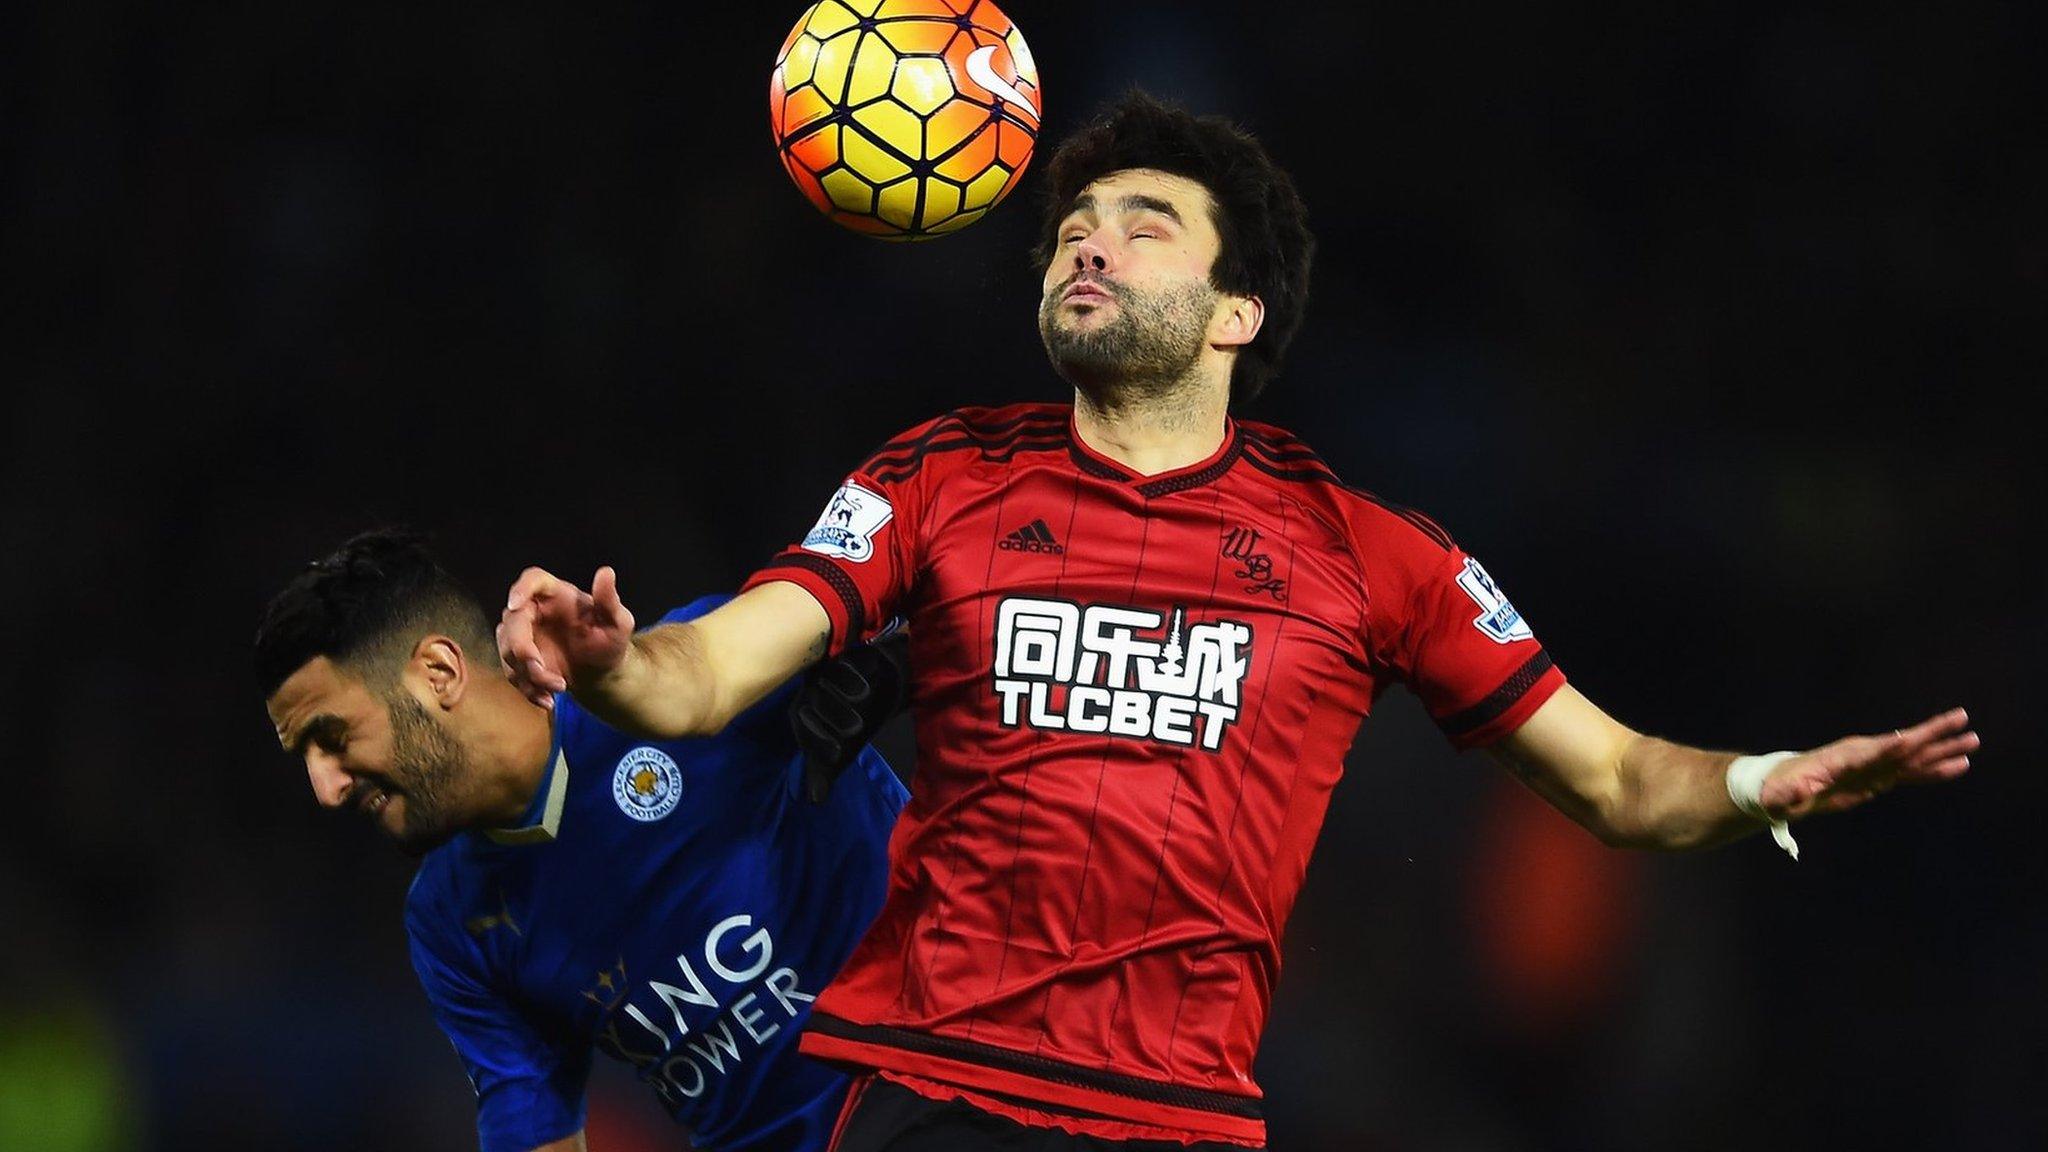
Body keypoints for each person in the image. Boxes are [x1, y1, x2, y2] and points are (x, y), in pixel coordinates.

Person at [497, 92, 1978, 1151]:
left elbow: (1612, 776)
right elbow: (712, 671)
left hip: (1178, 1115)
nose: (1087, 246)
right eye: (1073, 227)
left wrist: (1757, 784)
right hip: (930, 1090)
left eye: (1143, 227)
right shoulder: (937, 477)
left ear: (1237, 311)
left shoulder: (1367, 551)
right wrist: (616, 666)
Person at [255, 529, 912, 1152]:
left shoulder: (697, 678)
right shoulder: (452, 922)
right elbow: (532, 1128)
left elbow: (957, 617)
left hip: (964, 1082)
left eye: (332, 738)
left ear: (438, 671)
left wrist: (892, 668)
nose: (325, 787)